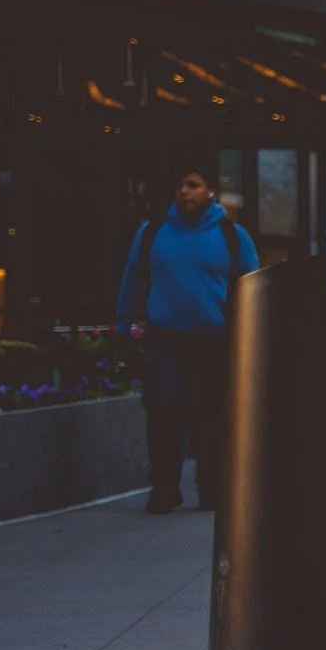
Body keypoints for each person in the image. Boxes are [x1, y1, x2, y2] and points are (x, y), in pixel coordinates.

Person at [114, 167, 260, 514]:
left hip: (214, 340)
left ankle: (212, 490)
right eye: (180, 186)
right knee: (163, 414)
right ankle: (165, 489)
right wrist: (124, 325)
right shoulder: (152, 233)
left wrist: (253, 335)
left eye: (193, 185)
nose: (184, 192)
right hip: (165, 339)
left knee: (210, 417)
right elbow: (131, 279)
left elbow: (253, 286)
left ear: (210, 191)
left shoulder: (231, 235)